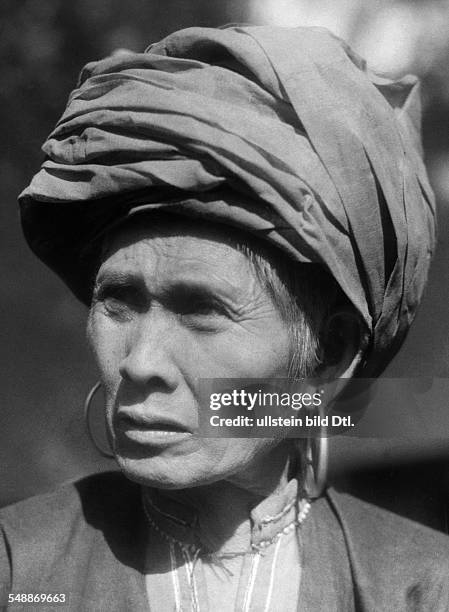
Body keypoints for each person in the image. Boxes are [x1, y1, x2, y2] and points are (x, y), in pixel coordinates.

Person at [1, 24, 448, 611]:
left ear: (331, 353)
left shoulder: (418, 587)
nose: (141, 363)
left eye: (202, 310)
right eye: (119, 301)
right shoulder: (21, 570)